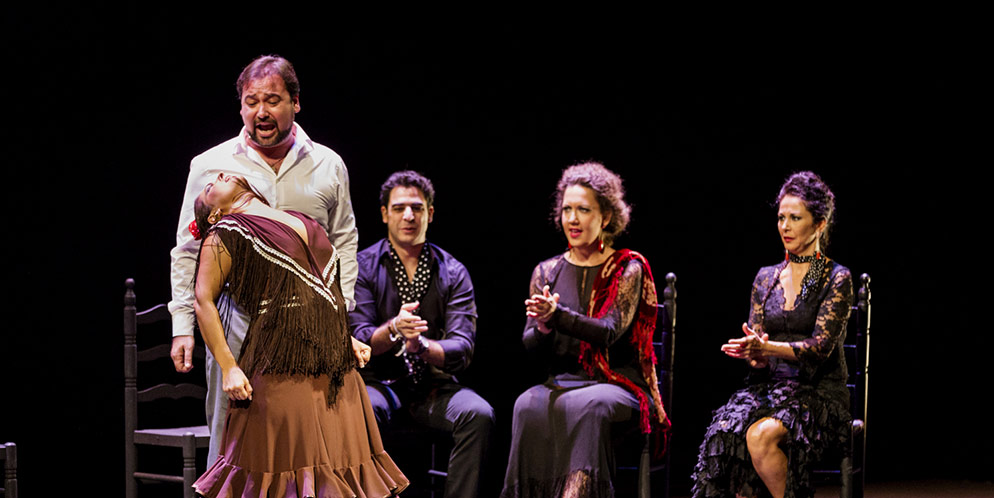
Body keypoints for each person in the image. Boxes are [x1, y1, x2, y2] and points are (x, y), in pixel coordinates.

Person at [167, 55, 359, 462]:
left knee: (307, 444)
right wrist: (182, 324)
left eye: (272, 100)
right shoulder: (210, 167)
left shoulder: (328, 164)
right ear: (240, 106)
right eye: (251, 101)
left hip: (308, 327)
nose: (261, 111)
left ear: (296, 102)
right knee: (231, 441)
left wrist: (341, 319)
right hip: (237, 322)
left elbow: (343, 243)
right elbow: (187, 250)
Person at [189, 173, 407, 497]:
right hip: (282, 371)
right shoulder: (225, 233)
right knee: (288, 477)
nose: (219, 175)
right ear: (214, 214)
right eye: (210, 187)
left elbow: (318, 293)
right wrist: (228, 366)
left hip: (335, 372)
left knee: (339, 473)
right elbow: (203, 300)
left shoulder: (298, 217)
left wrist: (342, 337)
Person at [501, 162, 670, 498]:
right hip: (563, 382)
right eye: (567, 210)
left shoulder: (628, 268)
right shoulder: (546, 271)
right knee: (524, 404)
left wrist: (558, 314)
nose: (573, 219)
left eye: (583, 210)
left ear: (605, 217)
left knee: (590, 406)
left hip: (618, 384)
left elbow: (609, 331)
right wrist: (546, 326)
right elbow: (530, 346)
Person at [690, 171, 854, 498]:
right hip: (770, 390)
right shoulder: (767, 278)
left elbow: (819, 348)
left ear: (820, 223)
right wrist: (754, 355)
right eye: (781, 217)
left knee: (759, 436)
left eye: (795, 218)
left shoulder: (835, 278)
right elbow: (760, 356)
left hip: (819, 394)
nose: (785, 226)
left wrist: (769, 348)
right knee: (726, 435)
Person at [348, 170, 494, 498]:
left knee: (479, 414)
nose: (409, 215)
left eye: (417, 207)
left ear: (430, 213)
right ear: (385, 214)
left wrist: (422, 346)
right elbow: (359, 337)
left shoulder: (452, 271)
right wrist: (395, 329)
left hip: (433, 386)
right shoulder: (364, 267)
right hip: (379, 384)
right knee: (359, 408)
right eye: (399, 208)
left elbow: (462, 347)